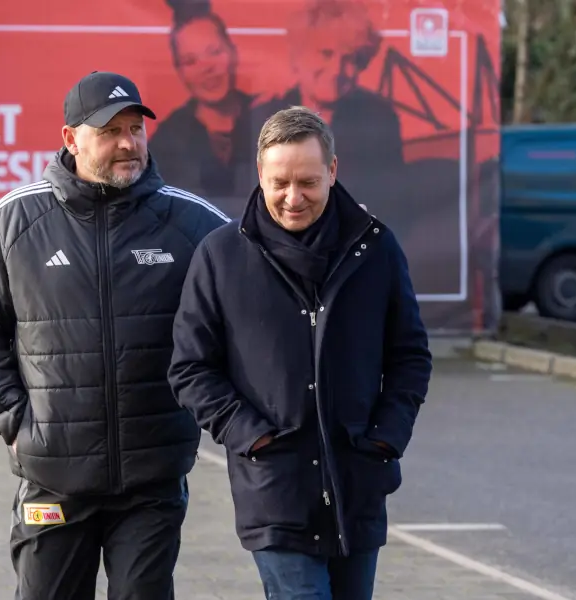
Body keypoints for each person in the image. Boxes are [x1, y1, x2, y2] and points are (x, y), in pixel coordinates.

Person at [0, 71, 229, 600]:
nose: (128, 143)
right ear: (71, 138)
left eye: (136, 129)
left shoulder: (193, 224)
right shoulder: (15, 220)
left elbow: (249, 312)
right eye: (110, 131)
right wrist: (12, 415)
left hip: (152, 479)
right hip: (53, 476)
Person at [168, 106, 432, 599]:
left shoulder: (375, 249)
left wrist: (386, 437)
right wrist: (252, 436)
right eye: (280, 182)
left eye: (308, 181)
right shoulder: (221, 256)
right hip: (275, 492)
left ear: (333, 170)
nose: (293, 198)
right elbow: (190, 367)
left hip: (358, 485)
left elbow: (410, 356)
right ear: (260, 174)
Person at [249, 0, 404, 207]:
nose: (336, 70)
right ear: (298, 55)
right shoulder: (263, 115)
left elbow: (391, 202)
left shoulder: (380, 119)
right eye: (326, 53)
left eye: (349, 59)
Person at [149, 11, 256, 213]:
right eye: (190, 61)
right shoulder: (165, 142)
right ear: (179, 71)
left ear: (233, 52)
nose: (206, 67)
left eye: (214, 51)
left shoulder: (267, 118)